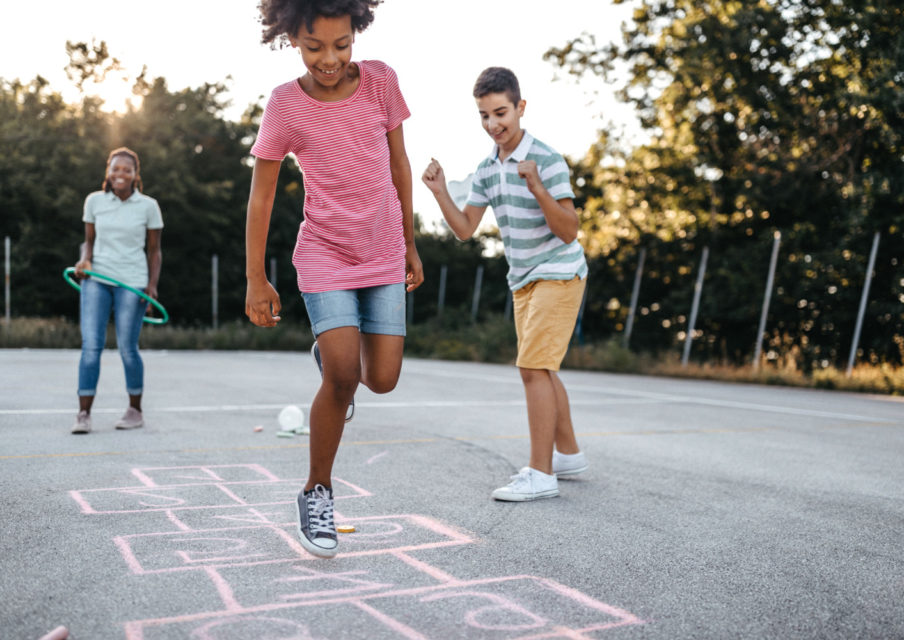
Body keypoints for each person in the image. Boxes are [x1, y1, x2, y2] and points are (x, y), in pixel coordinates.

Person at [245, 0, 424, 558]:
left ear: (357, 33)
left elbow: (400, 165)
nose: (329, 59)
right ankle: (317, 491)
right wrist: (256, 276)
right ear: (292, 37)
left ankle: (333, 359)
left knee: (384, 378)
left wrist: (411, 240)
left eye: (341, 45)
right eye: (314, 46)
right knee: (345, 375)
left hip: (384, 249)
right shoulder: (285, 105)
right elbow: (263, 194)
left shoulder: (380, 82)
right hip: (324, 252)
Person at [422, 67, 589, 502]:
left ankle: (541, 473)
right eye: (484, 115)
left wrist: (537, 186)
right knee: (542, 367)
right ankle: (567, 454)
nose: (493, 124)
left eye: (501, 113)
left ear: (520, 108)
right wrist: (440, 192)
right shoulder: (485, 170)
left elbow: (569, 230)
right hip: (523, 280)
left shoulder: (547, 160)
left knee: (531, 368)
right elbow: (465, 229)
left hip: (559, 271)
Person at [72, 147, 163, 434]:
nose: (120, 174)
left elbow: (155, 251)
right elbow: (88, 241)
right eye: (115, 169)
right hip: (96, 279)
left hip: (132, 282)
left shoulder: (148, 206)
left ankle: (135, 410)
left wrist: (151, 287)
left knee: (127, 348)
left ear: (136, 175)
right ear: (107, 173)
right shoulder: (94, 201)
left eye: (127, 169)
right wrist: (84, 259)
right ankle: (83, 415)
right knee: (91, 348)